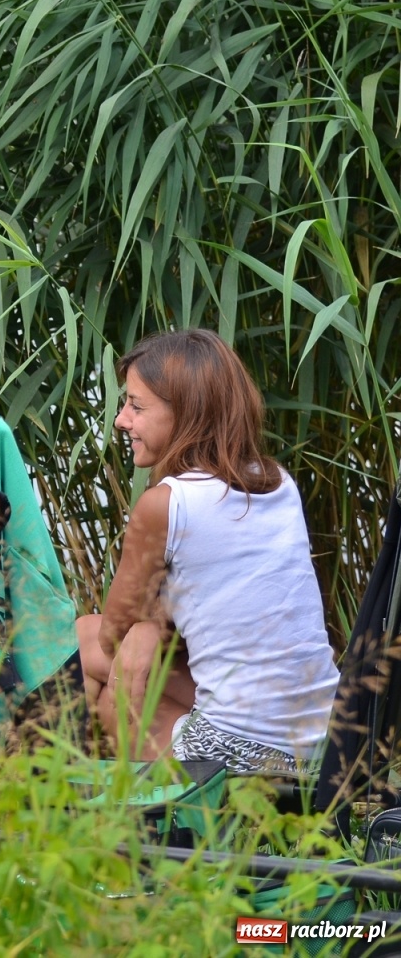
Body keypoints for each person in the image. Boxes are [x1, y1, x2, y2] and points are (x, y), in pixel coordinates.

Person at [76, 329, 339, 771]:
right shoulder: (276, 483)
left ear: (187, 416)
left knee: (88, 650)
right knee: (111, 648)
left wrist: (141, 630)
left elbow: (111, 634)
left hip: (240, 754)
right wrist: (147, 629)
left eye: (136, 407)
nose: (121, 420)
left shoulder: (165, 505)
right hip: (322, 742)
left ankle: (62, 797)